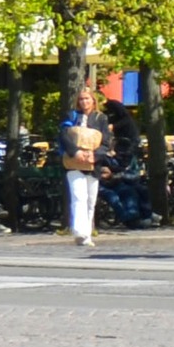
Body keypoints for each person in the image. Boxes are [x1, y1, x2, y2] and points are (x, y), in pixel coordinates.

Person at [63, 84, 107, 249]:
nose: (84, 102)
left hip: (93, 164)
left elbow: (106, 142)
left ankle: (86, 235)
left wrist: (94, 155)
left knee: (90, 200)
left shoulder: (101, 118)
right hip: (74, 163)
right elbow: (64, 136)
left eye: (87, 98)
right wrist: (75, 152)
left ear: (93, 101)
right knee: (78, 196)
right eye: (81, 99)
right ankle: (79, 230)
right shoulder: (72, 116)